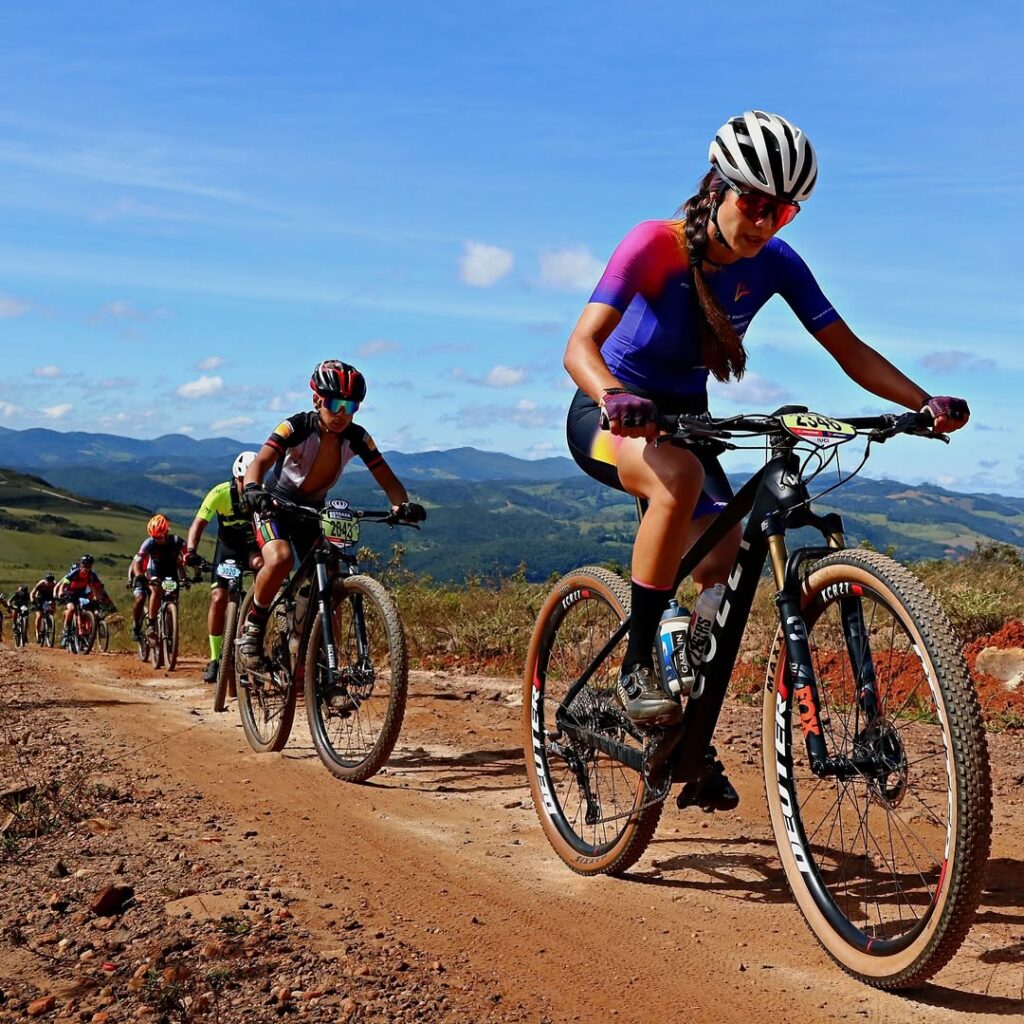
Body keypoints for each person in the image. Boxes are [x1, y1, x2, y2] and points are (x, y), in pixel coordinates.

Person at [563, 110, 969, 809]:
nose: (765, 222)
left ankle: (681, 725)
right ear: (718, 187)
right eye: (754, 203)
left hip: (686, 425)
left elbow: (850, 351)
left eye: (783, 211)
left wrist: (923, 401)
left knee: (720, 560)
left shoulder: (774, 263)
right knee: (680, 481)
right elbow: (579, 348)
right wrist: (614, 395)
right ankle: (634, 671)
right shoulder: (652, 245)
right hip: (611, 416)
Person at [237, 359, 426, 674]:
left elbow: (389, 480)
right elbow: (261, 461)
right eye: (335, 403)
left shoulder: (358, 437)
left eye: (351, 406)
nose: (342, 413)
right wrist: (254, 489)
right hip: (276, 507)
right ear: (316, 400)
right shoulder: (295, 426)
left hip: (313, 511)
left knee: (331, 587)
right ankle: (253, 630)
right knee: (280, 558)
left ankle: (326, 670)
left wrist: (401, 505)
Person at [185, 451, 265, 683]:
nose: (248, 485)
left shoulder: (261, 495)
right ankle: (214, 658)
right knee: (218, 598)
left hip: (251, 549)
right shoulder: (219, 494)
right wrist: (191, 551)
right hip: (227, 549)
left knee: (261, 567)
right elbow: (198, 524)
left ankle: (254, 636)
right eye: (244, 480)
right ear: (236, 478)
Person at [129, 515, 187, 642]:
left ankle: (171, 631)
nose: (157, 540)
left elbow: (187, 557)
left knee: (173, 599)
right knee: (156, 590)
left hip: (171, 571)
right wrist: (139, 575)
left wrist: (195, 573)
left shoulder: (177, 541)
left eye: (159, 537)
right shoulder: (149, 543)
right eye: (154, 537)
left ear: (166, 532)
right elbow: (138, 561)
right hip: (154, 570)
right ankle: (151, 625)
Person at [57, 556, 115, 646]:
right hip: (70, 593)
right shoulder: (75, 573)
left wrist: (96, 598)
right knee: (71, 609)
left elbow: (94, 587)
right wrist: (61, 593)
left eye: (89, 566)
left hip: (82, 594)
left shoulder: (91, 575)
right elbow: (64, 584)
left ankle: (86, 633)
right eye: (84, 566)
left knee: (88, 608)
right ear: (81, 565)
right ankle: (66, 632)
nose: (86, 568)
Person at [30, 572, 57, 643]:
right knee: (39, 615)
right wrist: (32, 599)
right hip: (40, 597)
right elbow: (32, 592)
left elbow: (56, 593)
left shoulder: (54, 584)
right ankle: (37, 632)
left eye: (51, 582)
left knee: (53, 605)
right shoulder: (41, 583)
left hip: (49, 597)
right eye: (48, 582)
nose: (49, 583)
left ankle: (50, 620)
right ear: (45, 580)